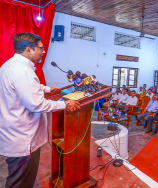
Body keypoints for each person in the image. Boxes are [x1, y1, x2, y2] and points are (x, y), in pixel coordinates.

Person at [0, 32, 80, 188]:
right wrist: (65, 104)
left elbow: (24, 87)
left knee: (17, 177)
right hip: (24, 139)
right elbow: (36, 104)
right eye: (41, 48)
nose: (43, 51)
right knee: (20, 182)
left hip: (13, 133)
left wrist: (47, 89)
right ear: (29, 49)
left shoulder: (9, 65)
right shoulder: (23, 71)